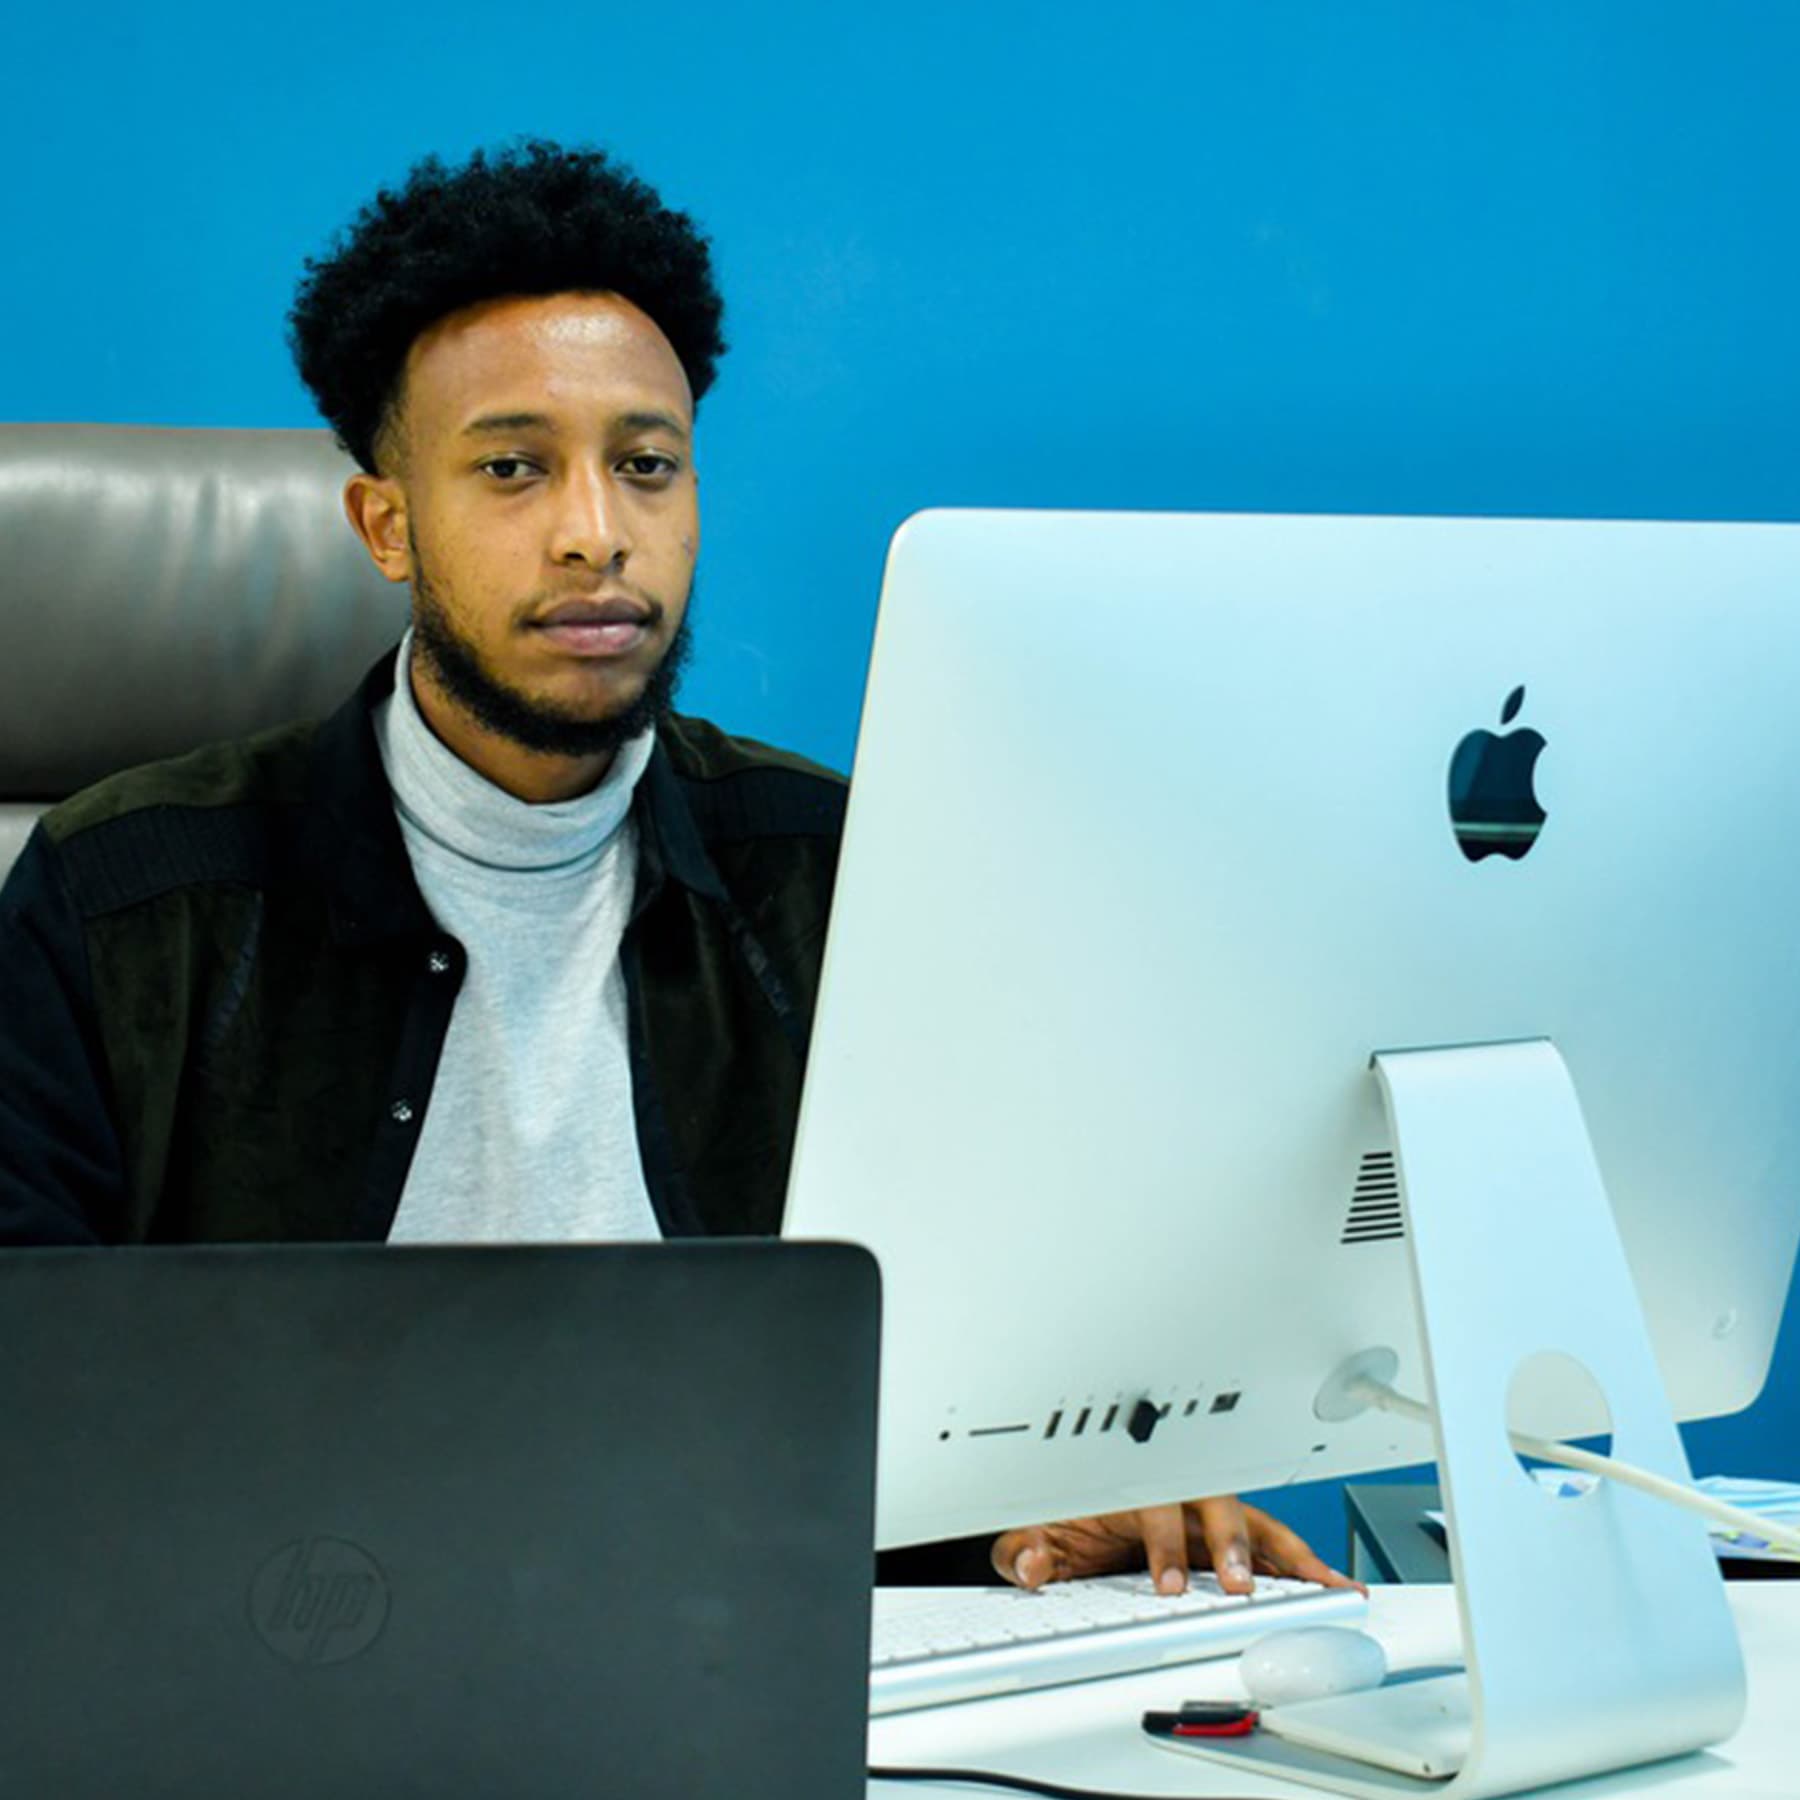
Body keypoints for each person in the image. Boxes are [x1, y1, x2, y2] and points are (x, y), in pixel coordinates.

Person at [0, 140, 1352, 1600]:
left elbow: (991, 1360)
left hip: (751, 1642)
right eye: (512, 468)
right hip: (287, 1643)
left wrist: (1068, 1494)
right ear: (388, 524)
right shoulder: (127, 900)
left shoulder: (839, 878)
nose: (596, 533)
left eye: (644, 465)